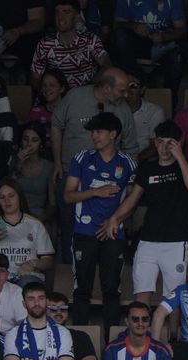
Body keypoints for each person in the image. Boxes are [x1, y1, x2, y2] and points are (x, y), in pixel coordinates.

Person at [63, 111, 136, 328]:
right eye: (93, 132)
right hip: (84, 232)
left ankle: (111, 341)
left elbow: (132, 202)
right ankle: (82, 341)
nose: (94, 136)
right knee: (81, 289)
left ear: (113, 134)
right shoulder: (82, 158)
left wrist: (114, 220)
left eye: (99, 132)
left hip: (114, 233)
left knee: (112, 290)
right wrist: (96, 192)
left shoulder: (128, 163)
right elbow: (68, 195)